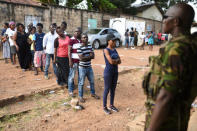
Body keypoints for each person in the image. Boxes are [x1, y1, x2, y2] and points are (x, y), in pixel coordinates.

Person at [143, 3, 197, 131]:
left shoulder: (176, 49)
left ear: (176, 21)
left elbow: (166, 95)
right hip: (178, 118)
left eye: (166, 17)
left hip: (166, 122)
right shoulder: (189, 46)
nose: (163, 20)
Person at [77, 34, 100, 102]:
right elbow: (81, 59)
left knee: (92, 81)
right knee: (81, 83)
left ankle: (93, 93)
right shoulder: (79, 47)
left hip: (89, 67)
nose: (85, 38)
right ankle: (80, 96)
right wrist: (89, 56)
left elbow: (93, 56)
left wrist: (86, 57)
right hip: (82, 68)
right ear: (81, 39)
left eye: (86, 37)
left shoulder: (90, 46)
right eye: (84, 37)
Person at [103, 33, 121, 115]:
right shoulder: (106, 50)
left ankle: (111, 105)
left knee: (113, 89)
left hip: (115, 72)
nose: (114, 42)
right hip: (108, 72)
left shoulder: (114, 50)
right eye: (112, 40)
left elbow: (120, 61)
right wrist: (116, 61)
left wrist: (115, 61)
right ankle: (104, 107)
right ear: (108, 41)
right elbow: (110, 61)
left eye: (114, 40)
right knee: (107, 89)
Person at [68, 27, 82, 95]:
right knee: (71, 76)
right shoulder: (71, 40)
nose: (76, 33)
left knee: (80, 76)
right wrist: (70, 61)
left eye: (78, 31)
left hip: (81, 62)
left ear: (80, 32)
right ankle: (70, 91)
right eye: (75, 31)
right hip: (74, 61)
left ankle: (80, 90)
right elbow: (69, 52)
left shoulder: (82, 40)